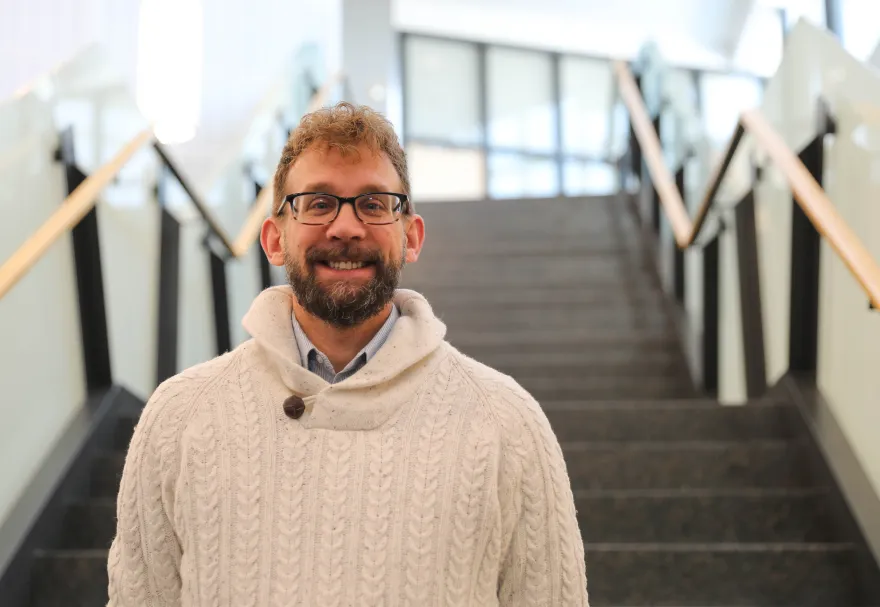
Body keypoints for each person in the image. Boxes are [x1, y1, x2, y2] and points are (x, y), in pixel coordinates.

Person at [107, 102, 588, 606]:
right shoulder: (179, 415)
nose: (346, 227)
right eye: (317, 204)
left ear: (411, 237)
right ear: (273, 239)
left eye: (374, 204)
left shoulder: (506, 423)